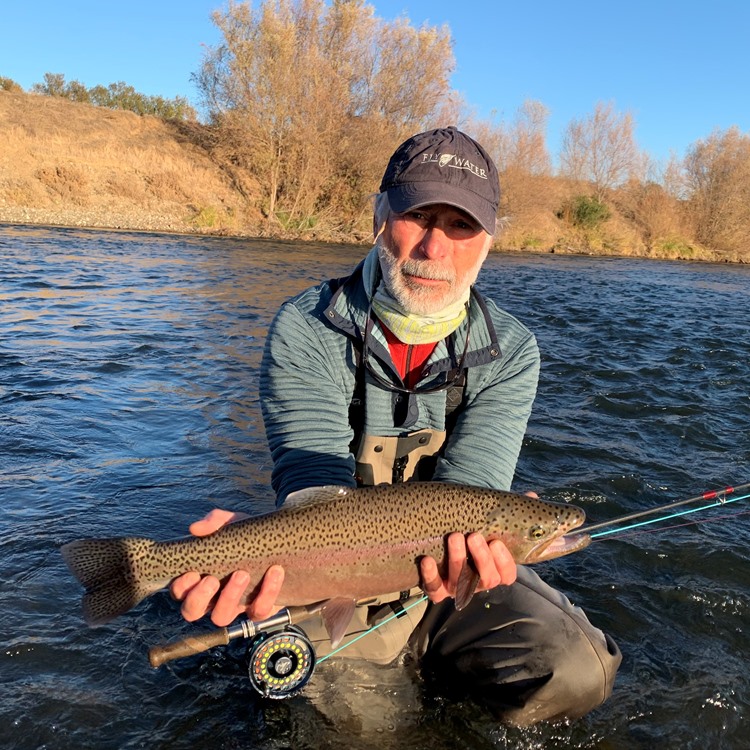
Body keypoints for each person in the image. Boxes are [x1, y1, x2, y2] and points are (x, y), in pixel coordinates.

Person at [170, 127, 621, 725]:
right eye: (417, 215)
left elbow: (473, 490)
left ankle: (445, 670)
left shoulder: (511, 351)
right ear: (380, 217)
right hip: (331, 566)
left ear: (487, 241)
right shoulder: (308, 326)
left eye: (461, 226)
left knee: (577, 667)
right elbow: (311, 481)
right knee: (371, 731)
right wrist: (248, 546)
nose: (436, 247)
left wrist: (503, 543)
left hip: (447, 571)